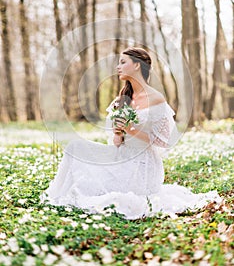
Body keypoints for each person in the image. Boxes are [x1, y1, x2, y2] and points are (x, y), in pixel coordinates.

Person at [40, 47, 221, 219]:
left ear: (136, 65)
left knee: (107, 190)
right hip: (121, 155)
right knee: (75, 147)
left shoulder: (155, 98)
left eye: (122, 62)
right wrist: (119, 133)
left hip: (143, 166)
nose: (118, 67)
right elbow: (117, 142)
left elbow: (164, 142)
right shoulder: (121, 100)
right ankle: (58, 195)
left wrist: (130, 129)